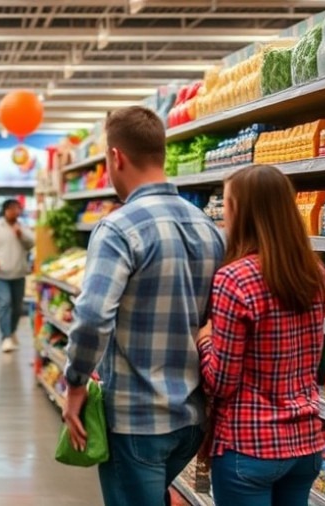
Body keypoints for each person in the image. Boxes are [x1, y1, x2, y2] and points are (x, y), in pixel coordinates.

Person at [61, 106, 225, 506]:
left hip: (135, 417)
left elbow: (93, 316)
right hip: (191, 416)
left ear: (115, 157)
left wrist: (76, 383)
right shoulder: (208, 227)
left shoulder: (119, 228)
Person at [196, 165, 325, 505]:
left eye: (226, 205)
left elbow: (221, 381)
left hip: (249, 444)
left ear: (241, 211)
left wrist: (205, 338)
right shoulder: (314, 273)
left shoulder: (234, 278)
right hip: (305, 442)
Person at [0, 198, 34, 353]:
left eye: (18, 209)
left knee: (17, 307)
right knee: (4, 303)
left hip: (19, 274)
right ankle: (6, 337)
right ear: (5, 210)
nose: (15, 212)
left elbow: (31, 244)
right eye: (12, 209)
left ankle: (11, 331)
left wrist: (21, 235)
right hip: (1, 275)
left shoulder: (23, 227)